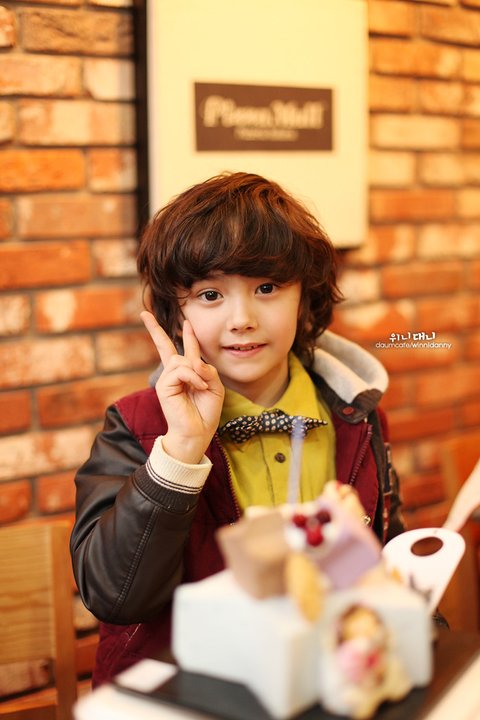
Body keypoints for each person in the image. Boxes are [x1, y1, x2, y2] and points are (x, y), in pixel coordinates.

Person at [70, 171, 403, 687]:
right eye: (210, 295)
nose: (242, 318)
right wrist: (180, 452)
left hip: (324, 683)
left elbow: (384, 556)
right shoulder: (137, 427)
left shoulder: (356, 416)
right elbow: (115, 597)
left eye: (266, 288)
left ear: (305, 297)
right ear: (175, 312)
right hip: (183, 695)